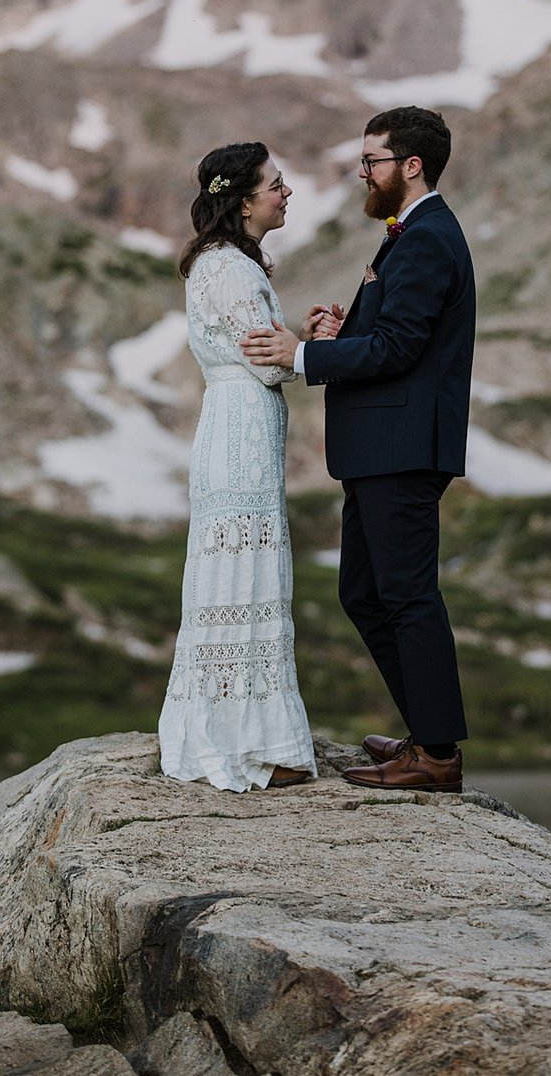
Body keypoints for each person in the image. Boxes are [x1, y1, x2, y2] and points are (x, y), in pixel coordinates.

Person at [242, 106, 475, 793]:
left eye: (372, 160)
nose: (363, 173)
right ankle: (424, 734)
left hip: (401, 452)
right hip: (382, 450)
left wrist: (306, 353)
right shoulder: (411, 234)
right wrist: (342, 333)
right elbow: (399, 336)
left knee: (405, 596)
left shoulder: (428, 237)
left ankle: (436, 754)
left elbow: (401, 349)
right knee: (366, 593)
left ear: (411, 166)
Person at [158, 142, 319, 792]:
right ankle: (251, 747)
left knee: (241, 577)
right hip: (239, 431)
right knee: (245, 578)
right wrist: (312, 349)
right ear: (245, 198)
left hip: (238, 428)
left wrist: (300, 342)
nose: (287, 195)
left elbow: (264, 347)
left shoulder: (227, 264)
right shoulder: (228, 269)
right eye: (277, 185)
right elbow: (266, 359)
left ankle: (239, 735)